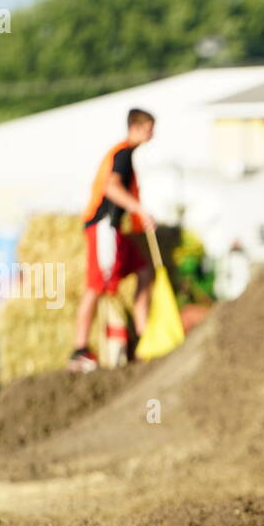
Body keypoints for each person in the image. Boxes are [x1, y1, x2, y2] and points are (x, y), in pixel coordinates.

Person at [68, 108, 157, 372]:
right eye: (150, 127)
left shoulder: (126, 154)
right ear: (137, 127)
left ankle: (143, 338)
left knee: (144, 270)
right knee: (97, 285)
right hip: (103, 227)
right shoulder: (123, 153)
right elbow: (112, 188)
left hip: (115, 229)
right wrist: (140, 211)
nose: (153, 133)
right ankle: (79, 349)